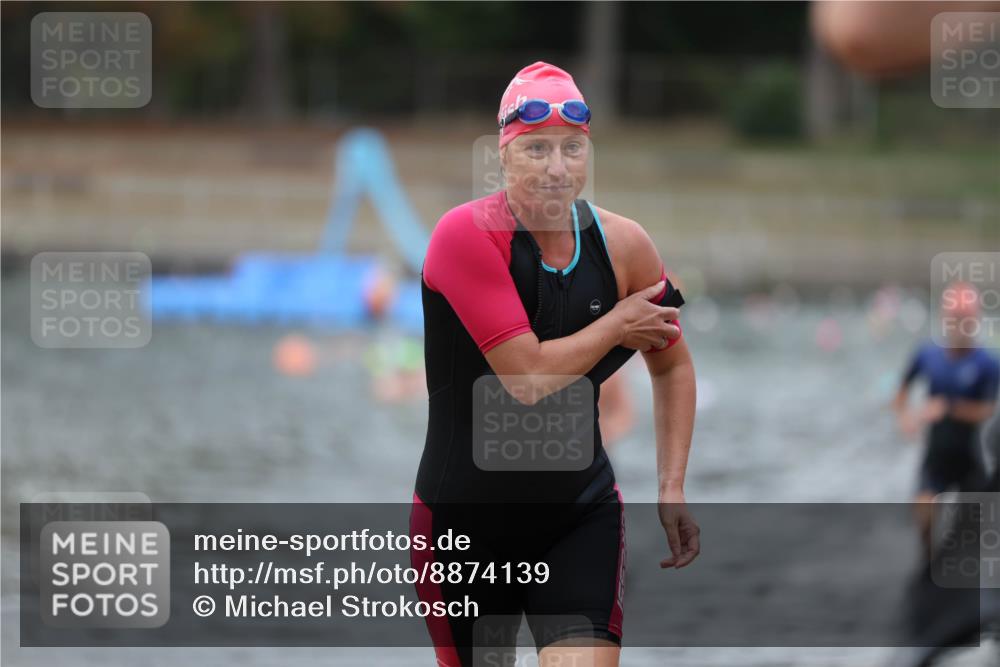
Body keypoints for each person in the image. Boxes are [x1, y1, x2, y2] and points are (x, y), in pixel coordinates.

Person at [409, 62, 698, 667]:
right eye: (536, 148)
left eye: (573, 148)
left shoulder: (623, 247)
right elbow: (527, 378)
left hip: (577, 516)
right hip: (464, 528)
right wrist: (618, 324)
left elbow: (671, 365)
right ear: (503, 156)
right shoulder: (464, 236)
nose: (557, 167)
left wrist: (670, 484)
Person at [893, 282, 1000, 548]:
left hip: (971, 457)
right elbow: (901, 393)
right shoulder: (928, 354)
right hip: (937, 454)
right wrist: (905, 418)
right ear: (945, 319)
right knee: (924, 514)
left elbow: (987, 411)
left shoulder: (987, 363)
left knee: (970, 533)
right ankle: (926, 565)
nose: (960, 327)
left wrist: (948, 407)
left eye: (967, 320)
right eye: (955, 319)